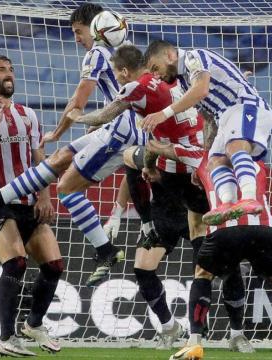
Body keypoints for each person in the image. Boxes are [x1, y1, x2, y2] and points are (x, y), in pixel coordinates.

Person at [77, 44, 252, 352]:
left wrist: (75, 116)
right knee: (143, 266)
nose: (158, 75)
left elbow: (106, 116)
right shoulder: (167, 89)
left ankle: (236, 333)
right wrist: (147, 166)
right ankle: (169, 327)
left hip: (195, 191)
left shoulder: (156, 89)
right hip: (167, 196)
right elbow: (138, 157)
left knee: (221, 266)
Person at [0, 3, 145, 287]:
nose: (76, 38)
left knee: (66, 188)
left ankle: (105, 250)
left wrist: (58, 131)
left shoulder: (96, 53)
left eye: (78, 31)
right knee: (60, 158)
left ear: (95, 27)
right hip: (125, 127)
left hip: (124, 130)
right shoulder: (127, 50)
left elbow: (77, 102)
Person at [169, 139, 272, 360]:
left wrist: (150, 163)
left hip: (224, 230)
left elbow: (161, 148)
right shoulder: (258, 162)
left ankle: (195, 342)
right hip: (261, 229)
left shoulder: (203, 157)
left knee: (202, 275)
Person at [0, 55, 63, 356]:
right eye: (2, 70)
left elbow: (38, 159)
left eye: (11, 70)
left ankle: (33, 324)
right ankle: (5, 338)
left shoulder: (27, 114)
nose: (9, 75)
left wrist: (45, 195)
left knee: (54, 266)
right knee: (16, 263)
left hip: (29, 200)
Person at [140, 39, 272, 226]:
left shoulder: (193, 57)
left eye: (155, 68)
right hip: (224, 117)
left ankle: (250, 198)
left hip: (245, 106)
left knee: (235, 147)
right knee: (215, 161)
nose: (155, 76)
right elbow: (208, 118)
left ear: (170, 55)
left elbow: (201, 89)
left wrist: (164, 114)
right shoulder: (185, 83)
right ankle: (227, 204)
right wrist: (203, 159)